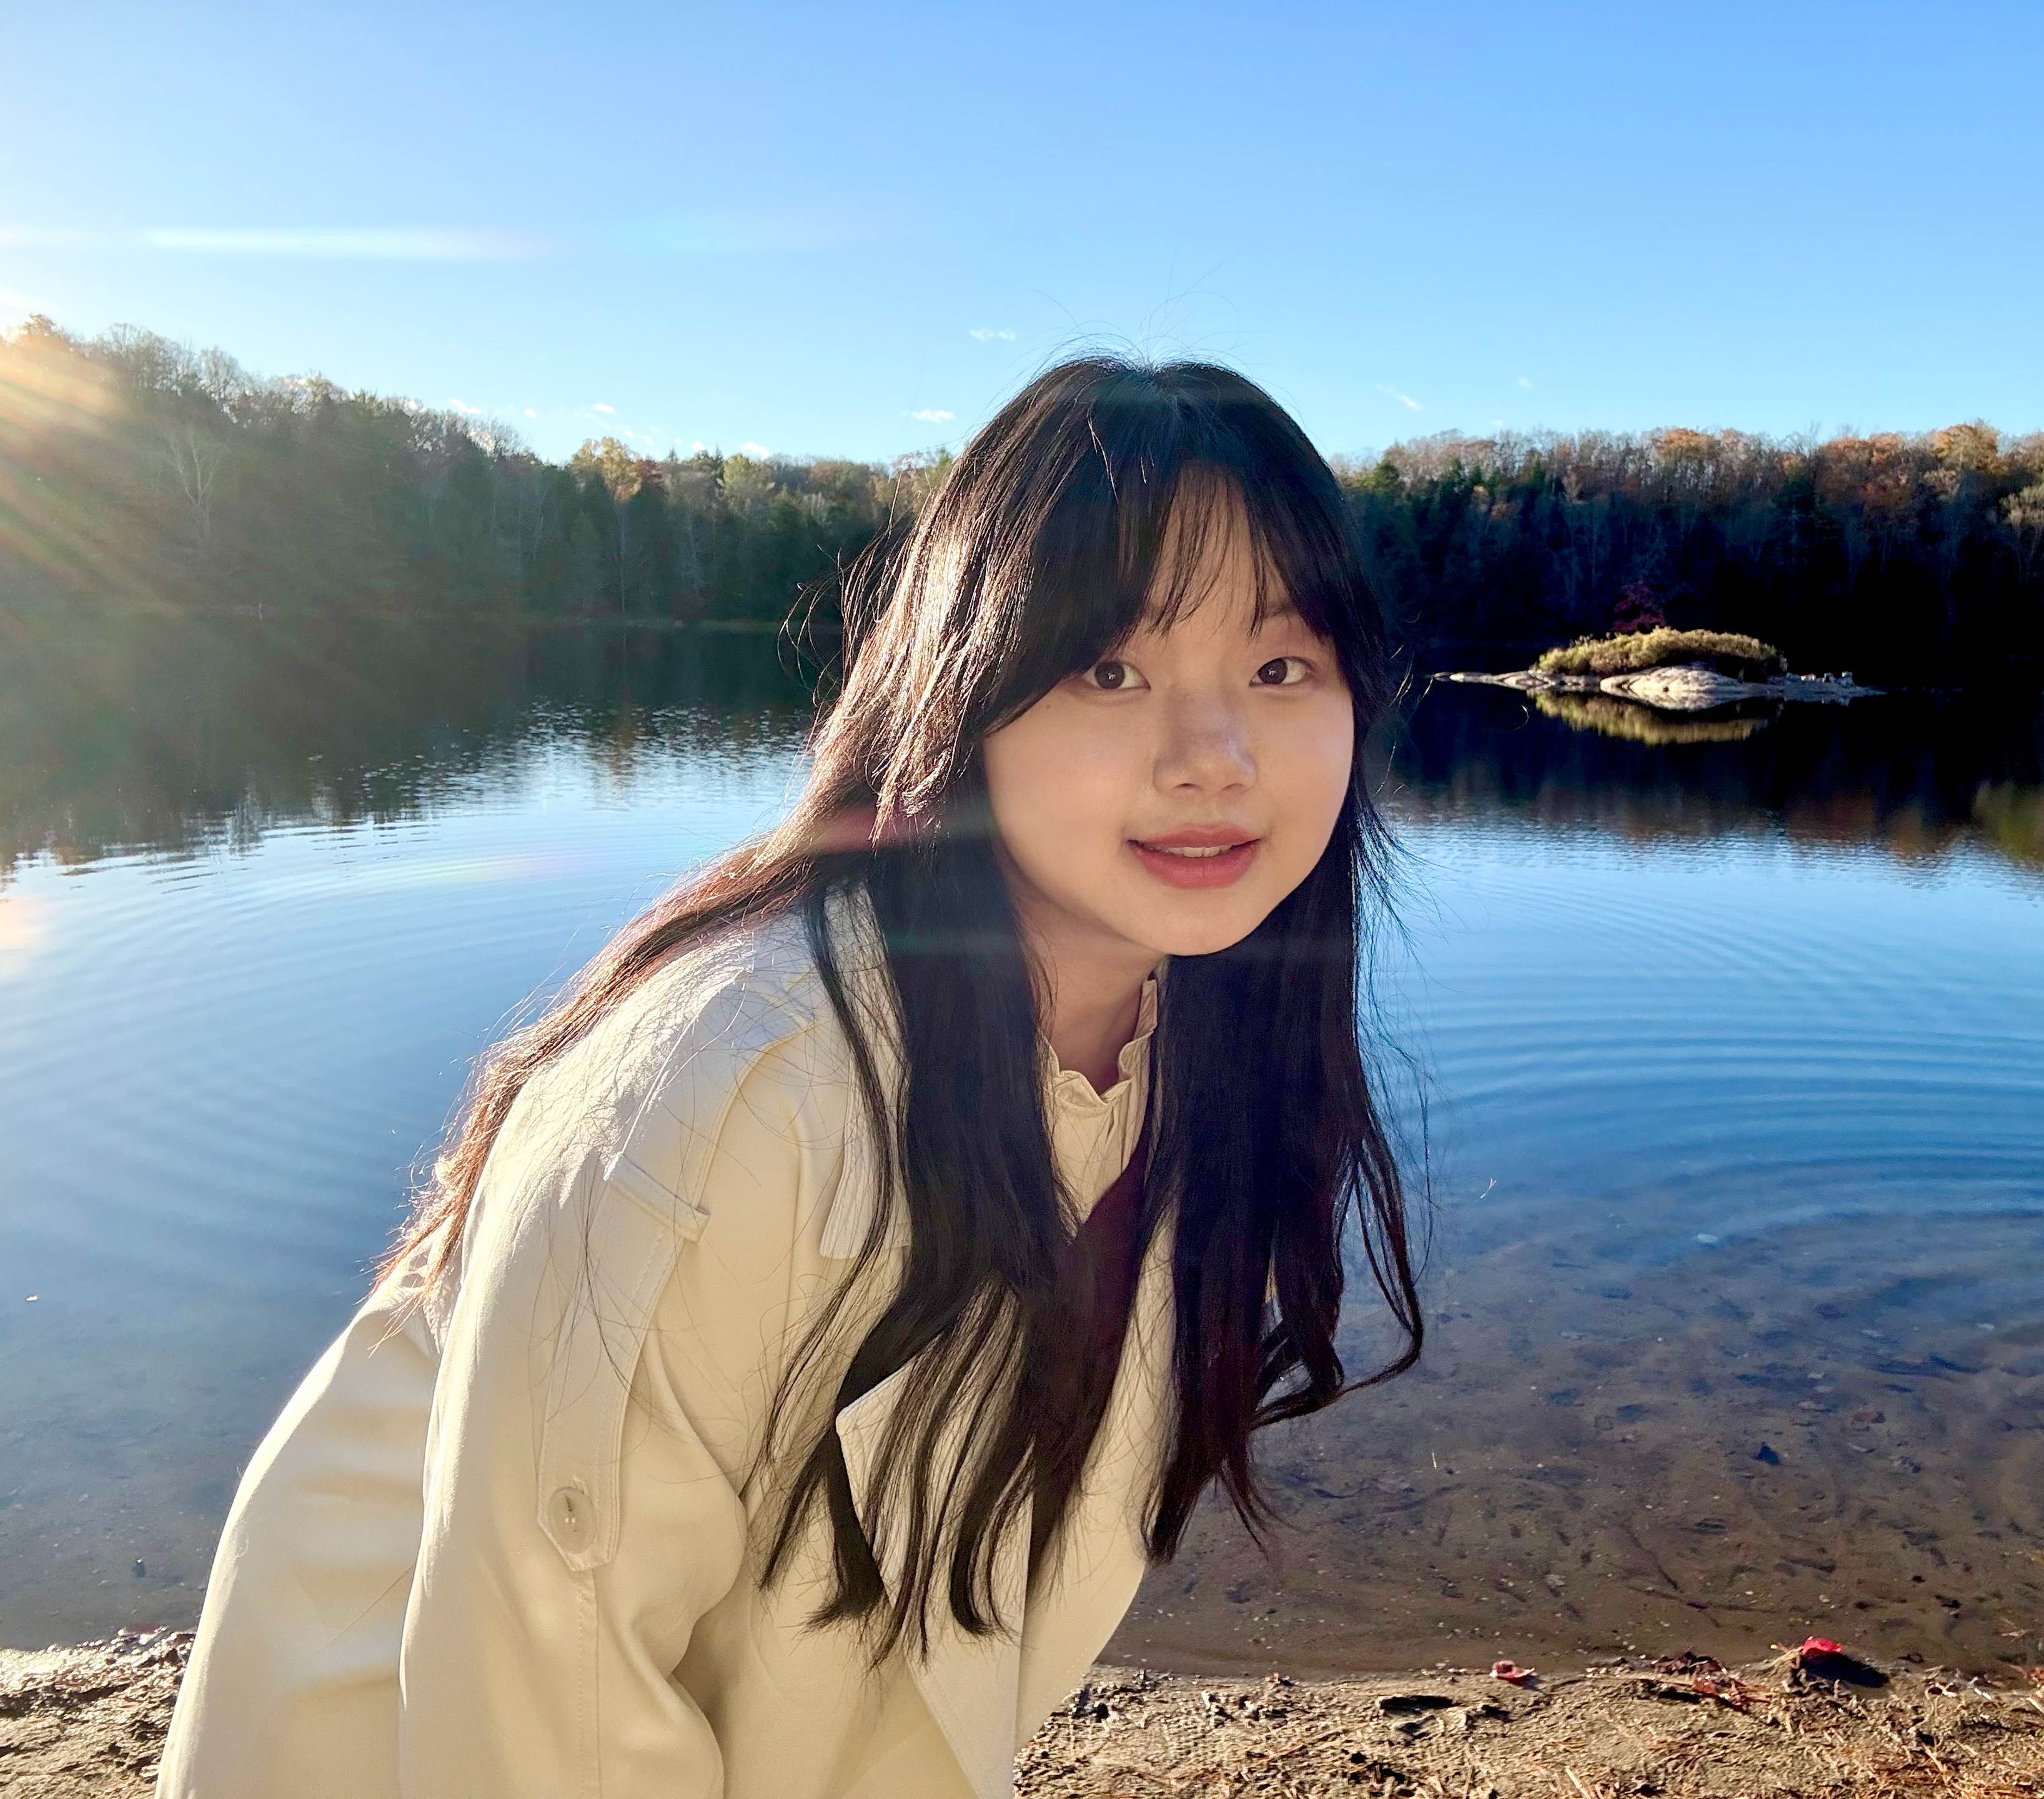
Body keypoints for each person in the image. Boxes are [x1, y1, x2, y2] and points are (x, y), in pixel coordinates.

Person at [156, 355, 1426, 1799]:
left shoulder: (1187, 1041)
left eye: (1280, 668)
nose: (1215, 758)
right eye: (1111, 669)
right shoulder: (730, 1098)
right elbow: (546, 1706)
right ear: (965, 689)